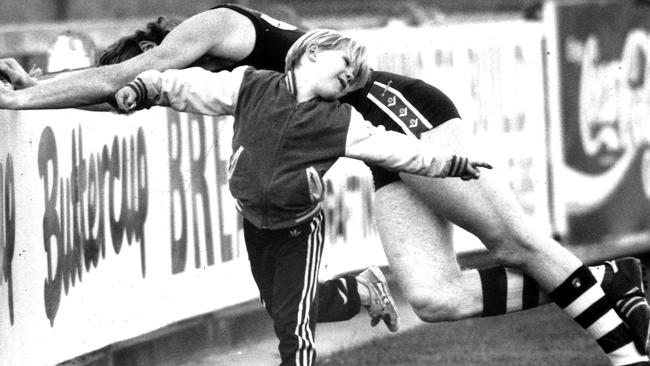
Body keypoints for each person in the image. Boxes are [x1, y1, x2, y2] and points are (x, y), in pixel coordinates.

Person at [0, 4, 649, 365]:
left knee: (512, 239)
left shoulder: (208, 25)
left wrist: (20, 102)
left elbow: (135, 75)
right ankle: (610, 283)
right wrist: (39, 93)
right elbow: (124, 92)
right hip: (363, 140)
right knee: (436, 295)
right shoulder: (212, 79)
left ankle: (626, 355)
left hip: (396, 111)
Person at [113, 28, 491, 365]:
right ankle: (361, 290)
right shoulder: (250, 86)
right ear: (311, 53)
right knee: (285, 309)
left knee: (293, 326)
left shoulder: (340, 121)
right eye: (345, 63)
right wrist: (144, 87)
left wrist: (449, 163)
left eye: (354, 77)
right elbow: (188, 86)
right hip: (256, 226)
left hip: (299, 232)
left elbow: (395, 148)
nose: (349, 75)